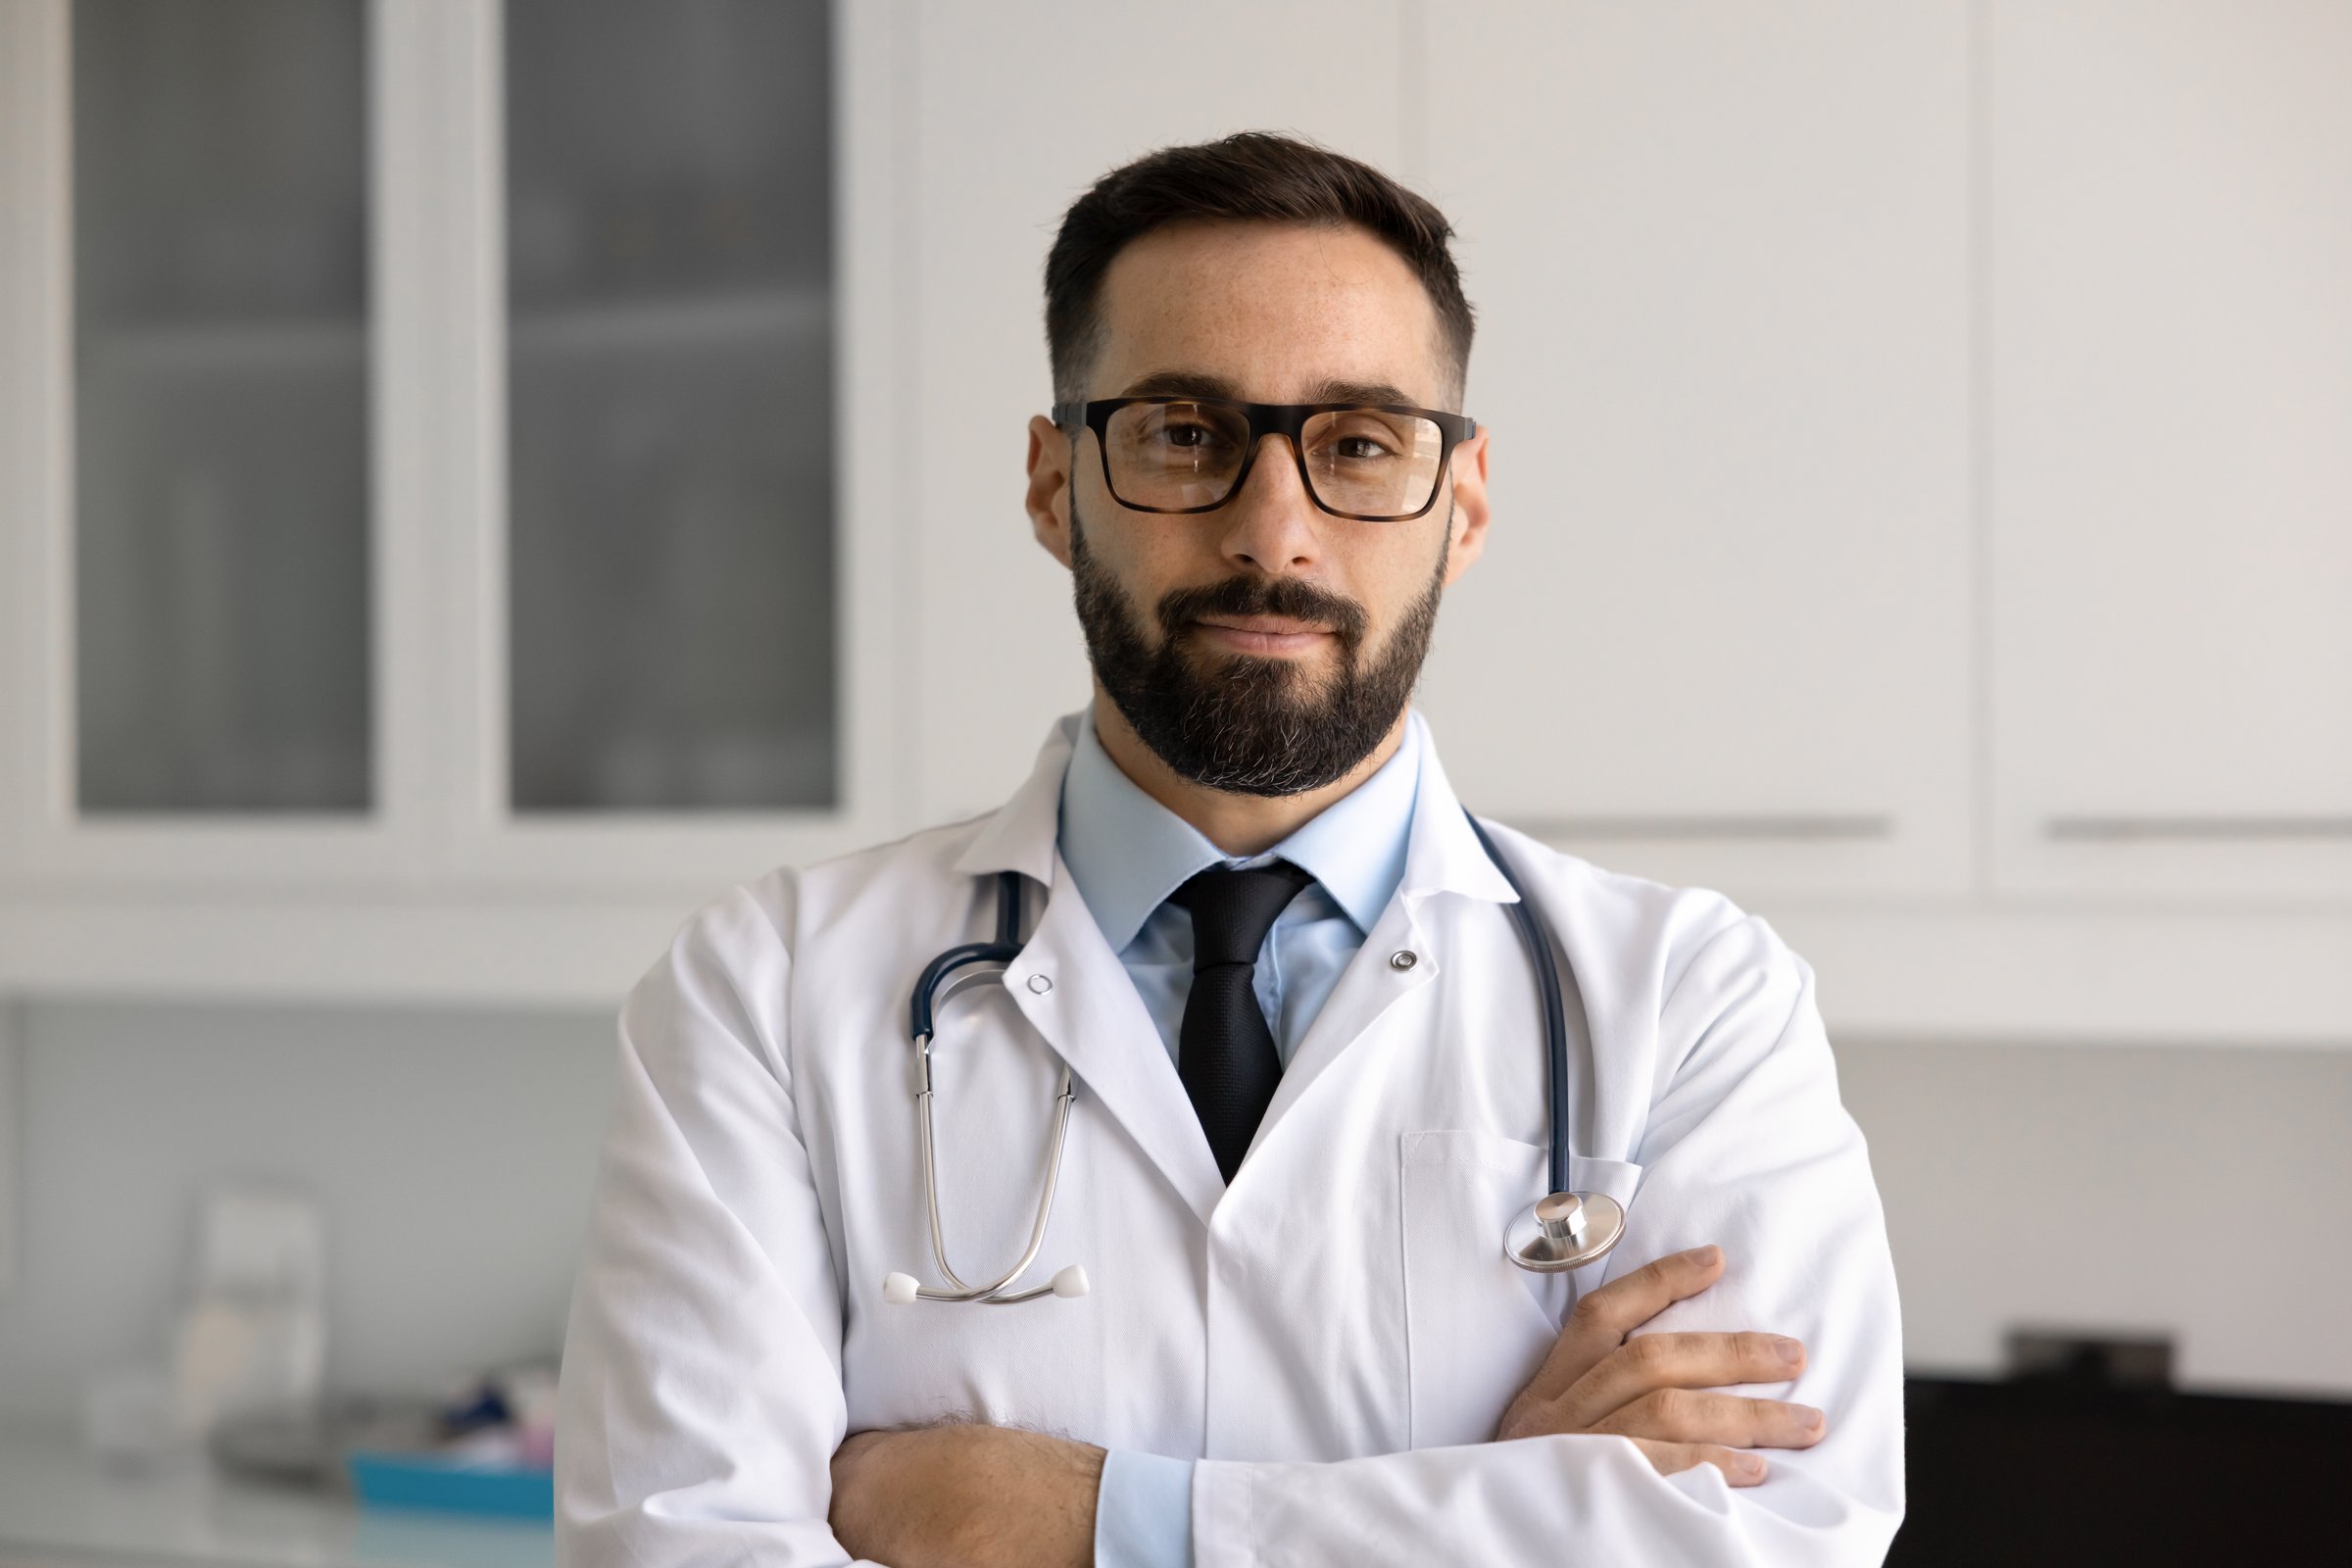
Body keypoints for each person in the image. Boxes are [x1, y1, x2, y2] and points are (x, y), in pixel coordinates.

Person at [554, 130, 1904, 1567]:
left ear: (1465, 500)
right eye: (1185, 434)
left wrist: (1070, 1518)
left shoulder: (1694, 1005)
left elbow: (1774, 1544)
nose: (1276, 533)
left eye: (1361, 445)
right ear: (1053, 482)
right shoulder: (765, 992)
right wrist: (1506, 1499)